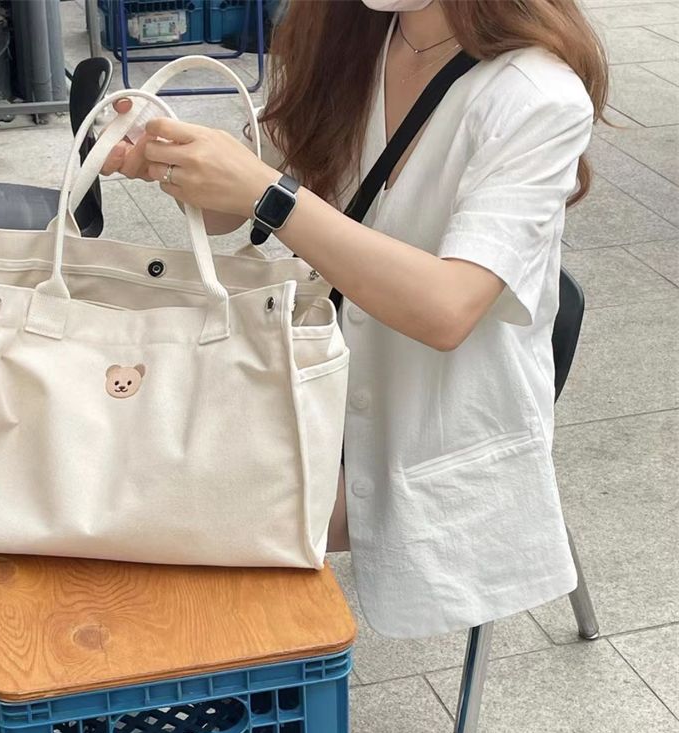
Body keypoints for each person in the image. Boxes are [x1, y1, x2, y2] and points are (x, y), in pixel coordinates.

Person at [100, 0, 608, 639]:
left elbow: (448, 308)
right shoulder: (349, 37)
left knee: (154, 521)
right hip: (308, 384)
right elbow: (236, 208)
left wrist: (266, 194)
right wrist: (168, 154)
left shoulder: (536, 97)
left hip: (422, 430)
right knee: (109, 466)